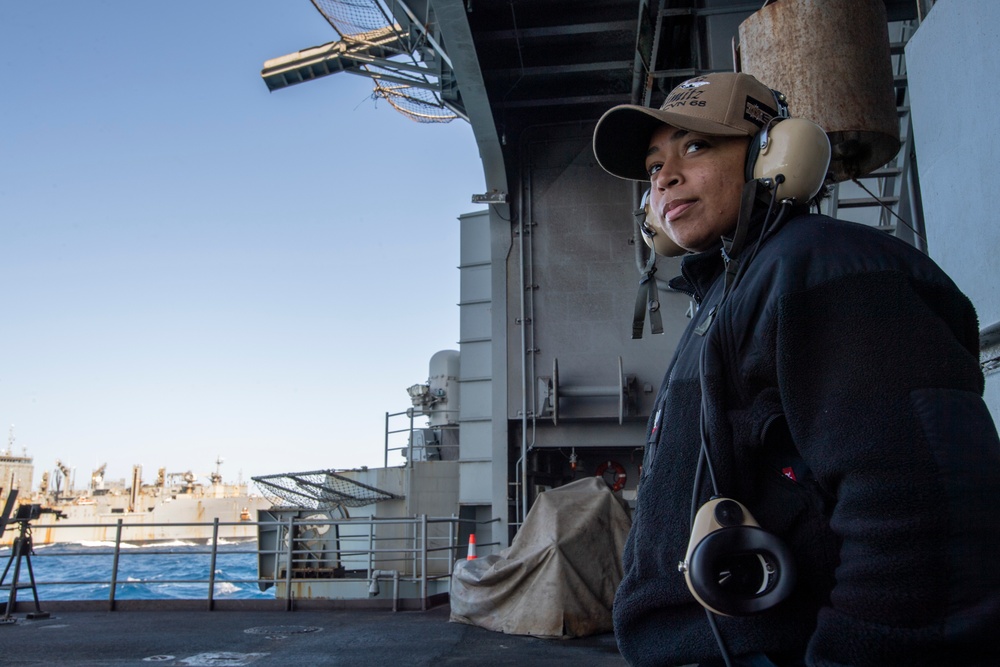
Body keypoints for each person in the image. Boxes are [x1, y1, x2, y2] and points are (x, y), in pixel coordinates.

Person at [591, 71, 1000, 667]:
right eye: (655, 166)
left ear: (774, 153)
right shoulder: (728, 293)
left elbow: (924, 515)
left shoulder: (823, 270)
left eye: (696, 146)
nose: (665, 178)